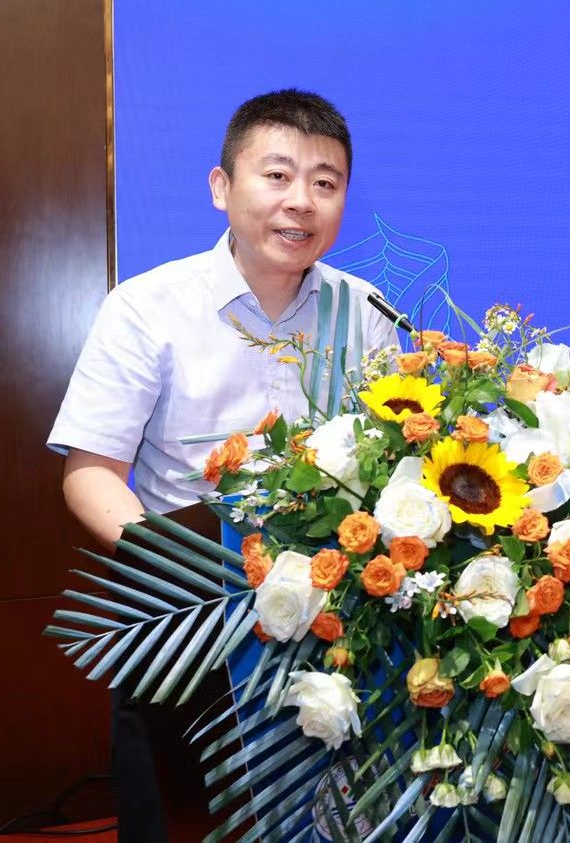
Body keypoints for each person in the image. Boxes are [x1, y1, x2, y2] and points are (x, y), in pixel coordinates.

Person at [48, 89, 398, 841]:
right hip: (190, 619)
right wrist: (188, 573)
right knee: (186, 820)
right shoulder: (146, 308)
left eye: (326, 182)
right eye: (277, 175)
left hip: (334, 620)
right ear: (222, 187)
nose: (300, 201)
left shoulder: (366, 311)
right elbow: (90, 472)